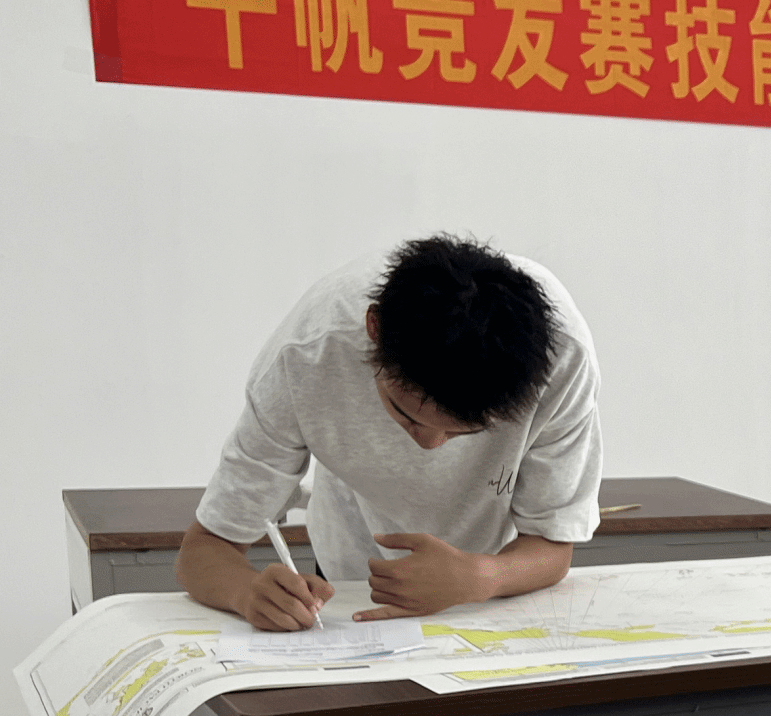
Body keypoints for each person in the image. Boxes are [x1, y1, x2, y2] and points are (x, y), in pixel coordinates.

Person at [177, 235, 602, 630]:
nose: (429, 444)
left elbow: (551, 545)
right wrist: (247, 592)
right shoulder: (306, 355)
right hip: (346, 589)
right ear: (373, 329)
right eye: (406, 415)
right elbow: (203, 550)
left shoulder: (563, 359)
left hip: (491, 593)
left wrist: (480, 577)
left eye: (464, 433)